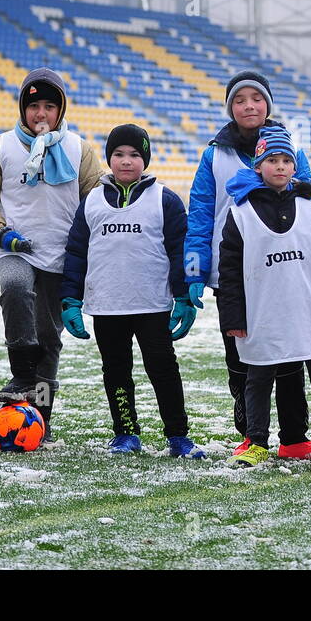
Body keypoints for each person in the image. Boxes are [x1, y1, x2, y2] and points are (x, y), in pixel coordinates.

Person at [183, 70, 311, 459]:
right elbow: (201, 213)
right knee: (240, 355)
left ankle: (295, 438)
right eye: (240, 100)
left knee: (291, 353)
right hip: (235, 273)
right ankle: (250, 434)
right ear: (231, 108)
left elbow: (309, 198)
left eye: (256, 99)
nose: (249, 106)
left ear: (267, 105)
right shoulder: (214, 154)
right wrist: (194, 271)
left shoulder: (289, 147)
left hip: (286, 269)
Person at [0, 67, 102, 443]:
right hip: (14, 248)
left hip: (61, 256)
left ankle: (39, 416)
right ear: (23, 109)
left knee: (50, 339)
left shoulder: (79, 149)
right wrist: (0, 232)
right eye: (33, 106)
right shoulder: (0, 147)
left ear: (60, 110)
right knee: (13, 286)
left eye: (48, 106)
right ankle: (21, 371)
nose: (40, 114)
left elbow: (96, 199)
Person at [60, 123, 205, 458]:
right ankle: (125, 432)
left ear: (146, 159)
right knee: (116, 371)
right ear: (109, 158)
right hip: (107, 306)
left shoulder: (164, 199)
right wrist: (71, 299)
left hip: (152, 305)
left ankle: (178, 436)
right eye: (119, 154)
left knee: (163, 369)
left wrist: (183, 297)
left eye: (135, 155)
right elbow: (77, 252)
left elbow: (178, 251)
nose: (126, 161)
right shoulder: (92, 201)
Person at [217, 127, 311, 467]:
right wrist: (233, 317)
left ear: (295, 166)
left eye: (286, 160)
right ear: (258, 166)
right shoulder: (240, 213)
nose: (279, 166)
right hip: (263, 314)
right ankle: (257, 441)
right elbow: (229, 271)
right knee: (258, 379)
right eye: (271, 160)